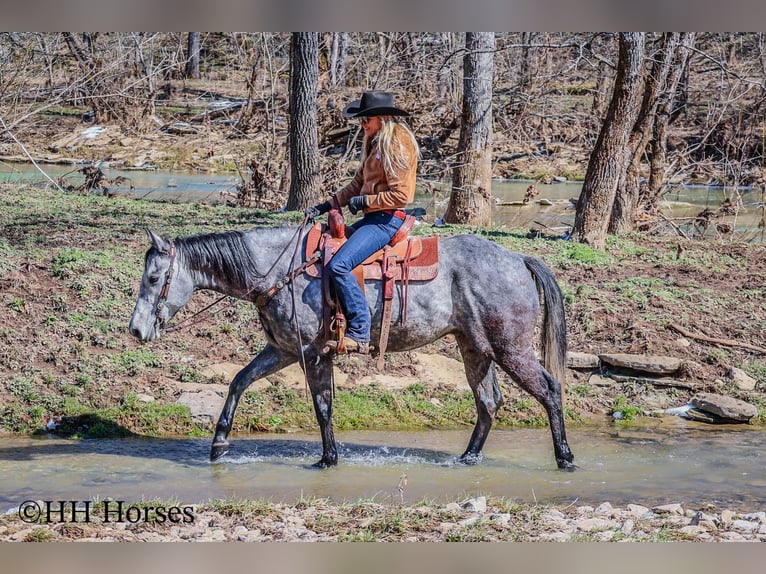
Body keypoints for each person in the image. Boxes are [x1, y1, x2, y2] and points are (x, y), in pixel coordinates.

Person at [306, 90, 420, 354]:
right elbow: (358, 183)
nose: (362, 124)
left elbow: (402, 195)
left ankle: (360, 331)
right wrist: (329, 204)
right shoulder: (375, 141)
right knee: (325, 251)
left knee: (340, 266)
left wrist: (364, 202)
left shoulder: (397, 144)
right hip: (374, 217)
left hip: (386, 221)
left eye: (366, 118)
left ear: (381, 117)